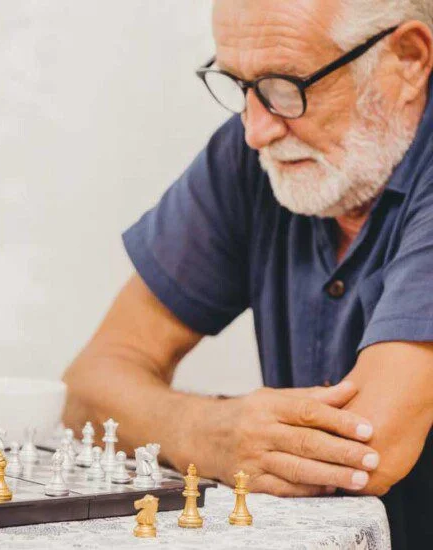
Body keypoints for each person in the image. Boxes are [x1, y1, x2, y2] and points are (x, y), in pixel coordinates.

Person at [62, 1, 433, 547]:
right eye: (239, 85)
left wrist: (166, 421)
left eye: (286, 87)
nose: (256, 129)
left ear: (407, 60)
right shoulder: (252, 157)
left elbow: (368, 449)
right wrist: (208, 431)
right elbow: (87, 389)